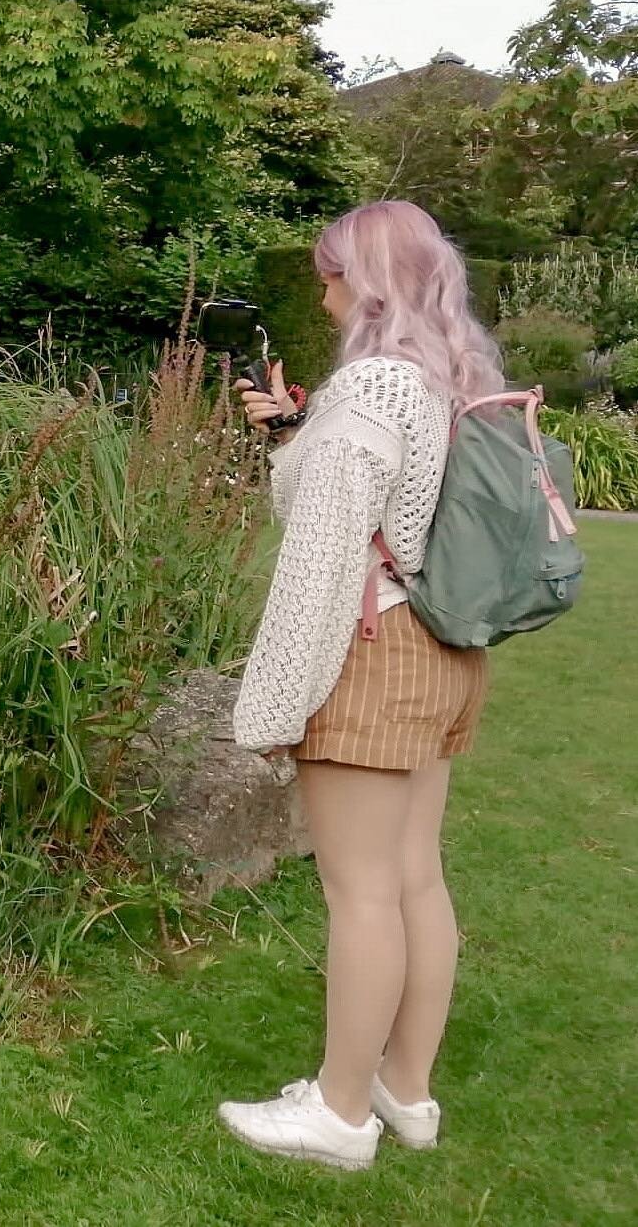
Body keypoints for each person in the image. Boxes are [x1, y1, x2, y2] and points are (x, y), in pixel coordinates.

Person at [217, 201, 503, 1170]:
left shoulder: (374, 383)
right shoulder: (447, 374)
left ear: (365, 279)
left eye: (329, 271)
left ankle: (339, 1115)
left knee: (361, 892)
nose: (321, 289)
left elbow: (325, 555)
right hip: (439, 645)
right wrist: (298, 429)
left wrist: (273, 699)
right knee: (415, 876)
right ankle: (403, 1091)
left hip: (371, 648)